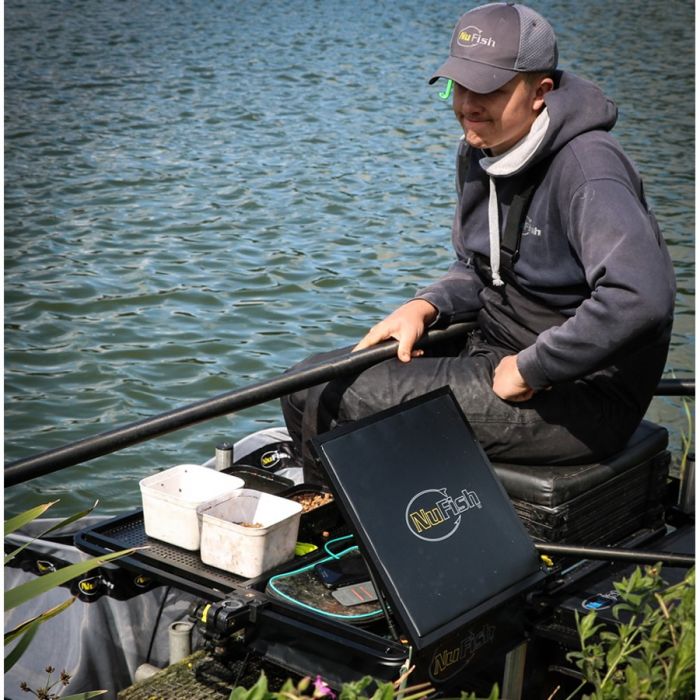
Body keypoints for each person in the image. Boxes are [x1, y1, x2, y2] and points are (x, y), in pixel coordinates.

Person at [281, 2, 676, 484]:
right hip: (491, 344)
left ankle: (336, 522)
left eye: (488, 89)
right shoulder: (480, 150)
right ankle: (362, 510)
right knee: (304, 380)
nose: (467, 104)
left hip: (579, 391)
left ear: (540, 92)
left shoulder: (589, 170)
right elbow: (478, 267)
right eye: (459, 85)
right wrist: (426, 306)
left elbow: (640, 298)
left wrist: (533, 368)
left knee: (328, 395)